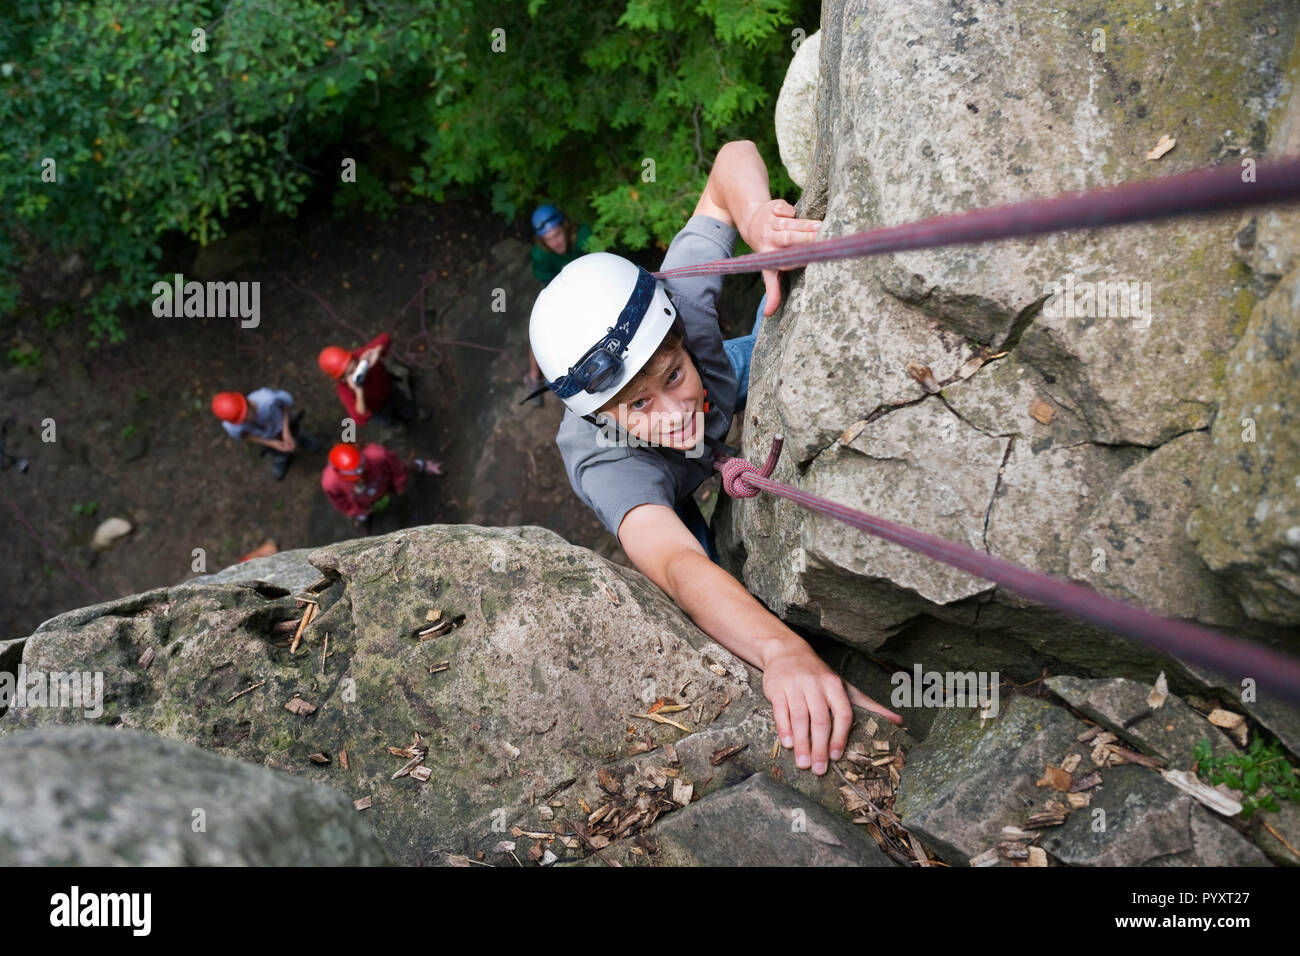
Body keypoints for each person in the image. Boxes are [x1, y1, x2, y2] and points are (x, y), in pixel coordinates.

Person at [528, 140, 902, 778]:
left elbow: (733, 158)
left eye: (671, 376)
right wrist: (782, 650)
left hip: (723, 374)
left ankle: (713, 392)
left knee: (767, 334)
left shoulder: (684, 306)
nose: (671, 414)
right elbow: (675, 564)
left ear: (678, 333)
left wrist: (757, 219)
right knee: (699, 571)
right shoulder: (607, 462)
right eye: (637, 405)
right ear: (599, 418)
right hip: (663, 481)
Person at [523, 204, 592, 404]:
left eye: (557, 234)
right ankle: (534, 376)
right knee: (540, 327)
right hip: (559, 287)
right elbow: (547, 282)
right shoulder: (541, 254)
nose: (555, 242)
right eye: (549, 239)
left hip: (588, 282)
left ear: (565, 227)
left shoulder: (583, 236)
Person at [321, 442, 443, 530]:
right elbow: (341, 503)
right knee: (362, 515)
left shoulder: (377, 455)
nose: (362, 477)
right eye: (357, 478)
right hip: (364, 503)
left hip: (386, 482)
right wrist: (358, 511)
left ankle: (423, 465)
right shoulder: (330, 482)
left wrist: (399, 485)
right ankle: (362, 519)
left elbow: (397, 468)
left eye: (364, 471)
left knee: (406, 467)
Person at [212, 388, 321, 479]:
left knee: (295, 431)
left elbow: (284, 405)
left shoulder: (267, 398)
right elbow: (244, 436)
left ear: (246, 401)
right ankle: (281, 458)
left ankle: (302, 439)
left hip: (283, 424)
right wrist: (270, 443)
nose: (249, 419)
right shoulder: (232, 425)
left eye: (247, 413)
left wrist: (286, 430)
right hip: (268, 437)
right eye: (243, 420)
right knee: (276, 451)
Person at [318, 333, 419, 428]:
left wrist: (377, 350)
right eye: (350, 373)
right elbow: (359, 419)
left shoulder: (361, 356)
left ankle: (413, 414)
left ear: (353, 358)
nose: (358, 371)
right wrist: (359, 392)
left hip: (390, 388)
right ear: (342, 379)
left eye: (355, 365)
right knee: (387, 420)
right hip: (378, 409)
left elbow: (386, 337)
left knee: (404, 404)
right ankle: (397, 425)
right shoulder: (344, 391)